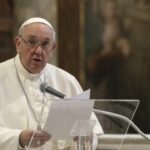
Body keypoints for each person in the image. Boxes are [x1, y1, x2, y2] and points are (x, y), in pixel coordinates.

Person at [0, 17, 103, 150]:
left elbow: (91, 130)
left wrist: (88, 137)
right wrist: (19, 138)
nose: (38, 51)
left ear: (53, 48)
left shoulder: (66, 81)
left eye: (45, 44)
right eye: (32, 42)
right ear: (18, 44)